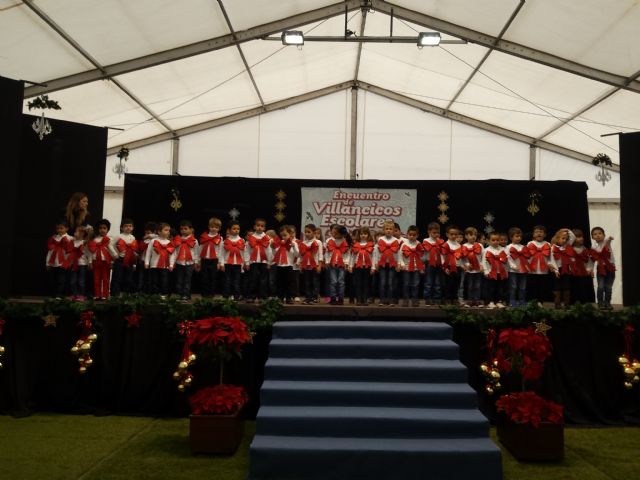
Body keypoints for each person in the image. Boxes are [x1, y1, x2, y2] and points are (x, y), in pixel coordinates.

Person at [373, 220, 401, 306]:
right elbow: (377, 253)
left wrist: (398, 264)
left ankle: (390, 300)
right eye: (386, 229)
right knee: (382, 282)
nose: (388, 230)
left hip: (392, 264)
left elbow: (398, 253)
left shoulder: (396, 240)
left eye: (390, 229)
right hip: (382, 264)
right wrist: (375, 264)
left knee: (390, 283)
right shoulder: (380, 239)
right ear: (384, 230)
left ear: (393, 230)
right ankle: (382, 300)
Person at [245, 218, 271, 303]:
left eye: (262, 226)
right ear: (254, 227)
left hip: (263, 262)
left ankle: (262, 296)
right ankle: (251, 296)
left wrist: (269, 262)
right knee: (253, 279)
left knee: (263, 279)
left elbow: (269, 251)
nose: (260, 227)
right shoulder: (251, 238)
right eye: (258, 225)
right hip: (254, 261)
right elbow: (247, 251)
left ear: (264, 228)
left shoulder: (266, 238)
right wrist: (247, 262)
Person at [144, 222, 174, 297]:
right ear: (159, 231)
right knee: (154, 281)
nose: (168, 232)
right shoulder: (153, 241)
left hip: (165, 266)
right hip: (154, 265)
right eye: (166, 230)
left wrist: (171, 264)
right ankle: (154, 295)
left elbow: (172, 255)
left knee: (164, 281)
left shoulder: (169, 242)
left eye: (169, 230)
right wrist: (147, 262)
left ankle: (163, 295)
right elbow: (148, 252)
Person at [172, 220, 199, 301]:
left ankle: (186, 295)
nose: (183, 230)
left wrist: (196, 262)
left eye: (185, 228)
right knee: (179, 280)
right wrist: (173, 262)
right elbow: (175, 252)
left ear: (191, 230)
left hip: (190, 263)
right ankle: (180, 294)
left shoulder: (194, 240)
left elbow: (196, 252)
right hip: (179, 263)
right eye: (182, 229)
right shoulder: (178, 239)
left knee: (187, 280)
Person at [527, 225, 554, 305]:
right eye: (537, 232)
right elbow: (527, 256)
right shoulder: (530, 243)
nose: (539, 233)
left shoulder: (548, 244)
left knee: (542, 287)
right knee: (533, 287)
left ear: (545, 234)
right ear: (533, 234)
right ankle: (533, 302)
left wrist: (550, 265)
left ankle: (540, 302)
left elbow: (550, 257)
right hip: (532, 270)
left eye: (541, 232)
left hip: (543, 270)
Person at [110, 218, 138, 297]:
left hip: (129, 260)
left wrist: (134, 261)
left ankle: (124, 293)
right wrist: (114, 254)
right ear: (121, 228)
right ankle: (115, 294)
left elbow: (134, 249)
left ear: (133, 228)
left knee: (128, 277)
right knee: (117, 277)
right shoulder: (118, 236)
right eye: (126, 226)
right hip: (120, 260)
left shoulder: (133, 237)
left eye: (130, 226)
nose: (128, 228)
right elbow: (110, 245)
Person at [271, 225, 299, 304]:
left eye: (285, 235)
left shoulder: (293, 243)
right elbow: (275, 254)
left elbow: (297, 255)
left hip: (289, 266)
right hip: (279, 266)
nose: (284, 236)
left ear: (290, 234)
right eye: (282, 235)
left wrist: (294, 247)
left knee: (289, 283)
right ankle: (280, 297)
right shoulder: (279, 243)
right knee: (280, 282)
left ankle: (288, 298)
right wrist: (273, 247)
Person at [87, 219, 113, 300]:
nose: (102, 230)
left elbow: (112, 252)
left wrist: (112, 262)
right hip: (96, 262)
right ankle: (97, 295)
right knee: (96, 279)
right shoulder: (94, 240)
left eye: (104, 228)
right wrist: (90, 262)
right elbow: (91, 251)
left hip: (106, 262)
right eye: (100, 228)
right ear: (98, 229)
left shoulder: (110, 240)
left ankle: (105, 295)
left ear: (107, 229)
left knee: (106, 279)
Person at [590, 226, 616, 310]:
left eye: (600, 233)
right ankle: (600, 303)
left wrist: (610, 238)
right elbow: (592, 259)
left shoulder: (606, 243)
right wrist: (591, 270)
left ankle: (607, 303)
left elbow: (608, 240)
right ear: (592, 237)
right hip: (600, 268)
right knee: (600, 287)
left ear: (604, 235)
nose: (598, 235)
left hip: (610, 268)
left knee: (608, 287)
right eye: (595, 234)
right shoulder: (593, 247)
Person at [46, 220, 72, 298]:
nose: (59, 230)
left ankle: (59, 294)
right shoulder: (53, 238)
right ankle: (54, 294)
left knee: (62, 279)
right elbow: (50, 251)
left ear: (66, 229)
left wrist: (69, 262)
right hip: (54, 263)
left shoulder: (69, 238)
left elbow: (70, 252)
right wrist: (47, 263)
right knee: (54, 279)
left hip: (63, 263)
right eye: (58, 228)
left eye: (61, 228)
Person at [325, 224, 351, 305]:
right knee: (333, 281)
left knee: (341, 281)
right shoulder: (330, 241)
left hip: (342, 265)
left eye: (335, 233)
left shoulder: (345, 241)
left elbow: (348, 254)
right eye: (332, 233)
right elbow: (327, 252)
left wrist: (346, 263)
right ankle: (332, 298)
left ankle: (340, 298)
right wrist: (327, 261)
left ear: (341, 234)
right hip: (332, 264)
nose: (333, 235)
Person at [482, 232, 509, 309]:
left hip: (500, 272)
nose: (495, 242)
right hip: (491, 272)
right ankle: (490, 302)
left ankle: (498, 301)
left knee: (500, 288)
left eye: (497, 240)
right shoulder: (486, 250)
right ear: (488, 241)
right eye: (493, 240)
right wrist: (486, 271)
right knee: (490, 288)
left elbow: (505, 262)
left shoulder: (503, 250)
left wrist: (506, 271)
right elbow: (483, 262)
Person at [550, 228, 575, 308]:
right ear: (557, 238)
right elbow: (552, 260)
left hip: (566, 269)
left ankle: (567, 304)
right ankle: (557, 303)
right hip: (557, 270)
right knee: (557, 287)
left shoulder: (567, 246)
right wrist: (556, 270)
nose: (565, 240)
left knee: (566, 286)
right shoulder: (553, 247)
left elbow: (573, 237)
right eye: (563, 238)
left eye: (566, 239)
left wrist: (567, 230)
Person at [400, 225, 424, 307]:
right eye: (410, 235)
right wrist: (402, 264)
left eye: (414, 235)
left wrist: (421, 267)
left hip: (416, 268)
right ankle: (405, 300)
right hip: (406, 267)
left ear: (417, 235)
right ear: (407, 234)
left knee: (415, 284)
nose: (412, 236)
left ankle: (414, 300)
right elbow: (400, 255)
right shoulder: (404, 244)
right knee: (406, 284)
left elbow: (421, 255)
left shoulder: (418, 244)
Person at [349, 226, 374, 306]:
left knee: (366, 283)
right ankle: (359, 299)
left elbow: (373, 257)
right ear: (359, 235)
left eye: (365, 234)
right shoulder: (356, 244)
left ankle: (365, 299)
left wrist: (373, 267)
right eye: (361, 234)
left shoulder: (370, 244)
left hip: (367, 267)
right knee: (358, 283)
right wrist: (350, 266)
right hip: (357, 267)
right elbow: (352, 256)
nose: (363, 235)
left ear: (368, 235)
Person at [299, 224, 323, 305]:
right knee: (307, 282)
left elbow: (320, 254)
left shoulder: (318, 242)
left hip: (315, 265)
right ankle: (308, 297)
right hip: (306, 265)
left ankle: (315, 297)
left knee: (315, 281)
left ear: (314, 232)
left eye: (309, 232)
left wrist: (319, 265)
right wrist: (300, 265)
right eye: (305, 232)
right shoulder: (303, 243)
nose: (307, 233)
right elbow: (301, 255)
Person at [220, 221, 245, 300]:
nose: (236, 230)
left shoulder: (242, 241)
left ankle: (236, 296)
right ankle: (226, 295)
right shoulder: (225, 241)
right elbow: (222, 253)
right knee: (227, 280)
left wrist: (243, 264)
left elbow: (243, 253)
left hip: (238, 264)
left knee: (237, 281)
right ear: (229, 230)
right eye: (234, 229)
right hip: (227, 263)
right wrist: (222, 264)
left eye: (238, 229)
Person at [506, 227, 530, 307]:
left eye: (520, 236)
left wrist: (527, 267)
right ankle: (512, 301)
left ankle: (521, 300)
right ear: (511, 237)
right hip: (513, 271)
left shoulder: (523, 247)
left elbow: (527, 258)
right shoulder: (508, 247)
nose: (519, 238)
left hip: (523, 270)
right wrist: (513, 267)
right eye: (516, 236)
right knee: (513, 286)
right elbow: (508, 258)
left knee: (523, 286)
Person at [199, 217, 223, 298]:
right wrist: (198, 261)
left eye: (216, 227)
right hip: (204, 259)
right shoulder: (204, 236)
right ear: (209, 227)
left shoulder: (220, 238)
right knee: (204, 278)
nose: (214, 229)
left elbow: (220, 250)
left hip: (214, 260)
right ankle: (204, 294)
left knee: (213, 278)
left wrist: (219, 262)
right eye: (212, 227)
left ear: (219, 228)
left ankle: (211, 294)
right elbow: (200, 248)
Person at [65, 225, 90, 301]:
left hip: (82, 264)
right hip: (74, 264)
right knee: (73, 281)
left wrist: (89, 262)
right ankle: (74, 294)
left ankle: (81, 295)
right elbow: (69, 253)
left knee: (81, 281)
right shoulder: (72, 242)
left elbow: (88, 254)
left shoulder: (84, 243)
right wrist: (68, 262)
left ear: (82, 234)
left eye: (76, 231)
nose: (74, 233)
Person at [570, 229, 594, 304]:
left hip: (583, 272)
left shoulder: (585, 249)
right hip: (573, 273)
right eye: (578, 237)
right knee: (574, 287)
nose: (581, 238)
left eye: (581, 236)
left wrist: (590, 269)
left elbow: (589, 261)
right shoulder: (570, 249)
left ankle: (584, 303)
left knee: (583, 288)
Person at [441, 225, 463, 305]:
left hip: (457, 267)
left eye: (455, 234)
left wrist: (462, 265)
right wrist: (444, 267)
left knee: (456, 284)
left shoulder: (459, 245)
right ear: (447, 234)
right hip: (448, 267)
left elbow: (459, 257)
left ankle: (454, 298)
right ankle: (447, 299)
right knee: (447, 284)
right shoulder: (445, 245)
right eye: (451, 234)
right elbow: (442, 257)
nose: (454, 236)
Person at [422, 222, 444, 305]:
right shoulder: (426, 241)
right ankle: (428, 298)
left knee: (438, 282)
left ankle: (437, 298)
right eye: (434, 233)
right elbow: (424, 254)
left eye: (438, 232)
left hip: (438, 263)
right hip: (429, 263)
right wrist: (423, 263)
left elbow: (442, 253)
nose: (436, 234)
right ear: (429, 232)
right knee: (429, 282)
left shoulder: (441, 241)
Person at [461, 227, 483, 307]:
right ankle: (470, 301)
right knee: (470, 286)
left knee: (477, 286)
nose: (473, 236)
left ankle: (477, 301)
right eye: (471, 235)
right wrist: (467, 264)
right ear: (466, 236)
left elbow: (483, 257)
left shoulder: (479, 245)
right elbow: (462, 258)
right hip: (469, 270)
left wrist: (482, 266)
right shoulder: (464, 246)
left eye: (475, 235)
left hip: (478, 270)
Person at [137, 221, 157, 293]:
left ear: (154, 232)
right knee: (141, 277)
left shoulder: (156, 239)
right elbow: (140, 250)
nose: (147, 234)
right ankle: (140, 290)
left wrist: (150, 236)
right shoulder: (143, 241)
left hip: (152, 261)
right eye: (146, 232)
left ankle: (149, 291)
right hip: (143, 260)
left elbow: (157, 236)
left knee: (150, 277)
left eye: (149, 232)